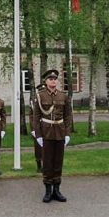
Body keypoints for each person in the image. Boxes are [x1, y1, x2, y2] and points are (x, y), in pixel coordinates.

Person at [31, 69, 73, 203]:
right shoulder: (40, 96)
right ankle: (48, 190)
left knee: (58, 162)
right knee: (48, 162)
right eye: (50, 79)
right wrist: (38, 135)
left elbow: (68, 116)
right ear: (46, 81)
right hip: (46, 132)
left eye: (55, 79)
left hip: (59, 132)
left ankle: (57, 190)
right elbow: (36, 116)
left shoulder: (63, 96)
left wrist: (67, 133)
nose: (53, 81)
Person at [29, 81, 46, 173]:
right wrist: (33, 129)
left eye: (43, 90)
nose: (42, 92)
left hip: (47, 126)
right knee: (38, 147)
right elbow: (31, 116)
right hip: (37, 127)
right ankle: (39, 165)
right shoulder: (34, 101)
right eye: (40, 91)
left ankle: (47, 165)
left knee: (48, 147)